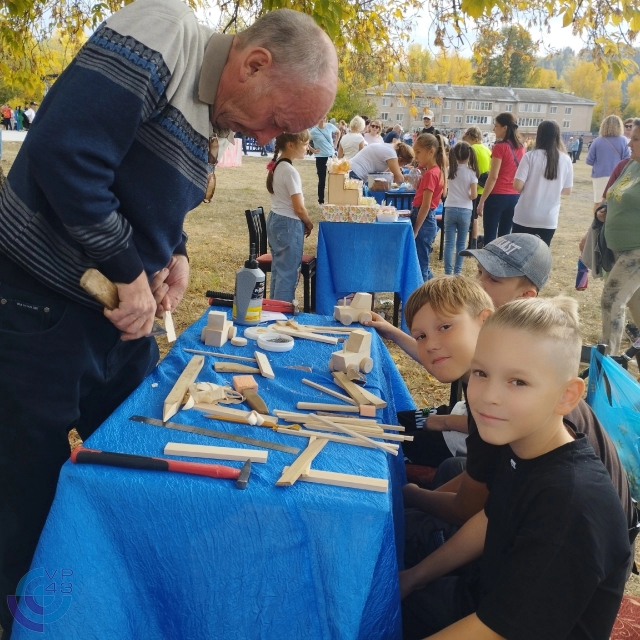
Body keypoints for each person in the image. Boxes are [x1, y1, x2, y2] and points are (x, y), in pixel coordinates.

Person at [0, 1, 338, 636]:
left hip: (114, 316)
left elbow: (143, 189)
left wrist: (173, 253)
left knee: (148, 439)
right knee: (25, 480)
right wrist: (129, 270)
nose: (267, 138)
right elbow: (66, 153)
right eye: (277, 120)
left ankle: (128, 592)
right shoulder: (164, 33)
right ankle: (32, 616)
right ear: (255, 63)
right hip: (38, 300)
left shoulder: (216, 112)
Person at [401, 295, 631, 640]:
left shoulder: (571, 505)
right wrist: (416, 576)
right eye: (481, 373)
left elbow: (500, 628)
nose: (488, 396)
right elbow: (491, 517)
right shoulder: (520, 442)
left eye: (518, 382)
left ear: (568, 396)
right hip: (487, 593)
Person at [596, 118, 640, 356]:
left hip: (636, 251)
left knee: (611, 301)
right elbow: (614, 196)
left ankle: (608, 362)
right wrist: (604, 210)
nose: (629, 143)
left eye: (635, 139)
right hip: (618, 250)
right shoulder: (630, 165)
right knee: (636, 308)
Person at [265, 132, 313, 303]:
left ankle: (274, 308)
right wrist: (308, 222)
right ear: (291, 145)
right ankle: (281, 314)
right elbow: (298, 207)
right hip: (288, 224)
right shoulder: (290, 171)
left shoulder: (278, 166)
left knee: (280, 270)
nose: (308, 148)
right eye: (305, 144)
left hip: (277, 220)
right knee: (288, 274)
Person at [511, 120, 573, 246]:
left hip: (525, 215)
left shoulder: (530, 156)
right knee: (540, 258)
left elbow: (517, 186)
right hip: (548, 218)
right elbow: (567, 190)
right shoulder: (566, 159)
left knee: (517, 255)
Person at [476, 112, 526, 244]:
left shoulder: (500, 147)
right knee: (505, 238)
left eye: (496, 126)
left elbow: (493, 177)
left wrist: (482, 201)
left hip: (497, 196)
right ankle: (502, 263)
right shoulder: (521, 147)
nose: (494, 129)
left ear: (505, 128)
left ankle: (488, 264)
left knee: (490, 237)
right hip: (514, 196)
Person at [411, 133, 447, 281]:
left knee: (421, 264)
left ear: (431, 151)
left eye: (418, 152)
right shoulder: (434, 171)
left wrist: (416, 230)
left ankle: (426, 296)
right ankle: (435, 287)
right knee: (421, 261)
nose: (416, 156)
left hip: (424, 220)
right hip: (425, 218)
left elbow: (425, 205)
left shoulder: (431, 174)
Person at [443, 142, 478, 275]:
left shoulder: (449, 170)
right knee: (461, 243)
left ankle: (447, 272)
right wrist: (467, 195)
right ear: (469, 155)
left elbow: (445, 190)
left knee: (449, 243)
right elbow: (474, 195)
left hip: (450, 207)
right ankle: (457, 272)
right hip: (465, 209)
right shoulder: (471, 172)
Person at [586, 114, 629, 213]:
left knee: (598, 201)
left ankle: (597, 224)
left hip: (599, 175)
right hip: (618, 175)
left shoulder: (597, 141)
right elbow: (627, 159)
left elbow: (589, 160)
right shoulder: (624, 141)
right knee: (615, 202)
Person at [462, 127, 491, 249]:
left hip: (474, 187)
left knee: (472, 218)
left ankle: (472, 243)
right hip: (485, 188)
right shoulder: (487, 150)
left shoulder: (471, 149)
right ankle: (476, 241)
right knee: (476, 217)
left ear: (472, 138)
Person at [348, 140, 414, 185]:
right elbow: (399, 180)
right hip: (355, 173)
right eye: (403, 164)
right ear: (400, 159)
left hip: (352, 171)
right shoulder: (391, 154)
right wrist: (405, 179)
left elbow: (388, 173)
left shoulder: (389, 149)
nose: (401, 166)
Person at [308, 116, 338, 205]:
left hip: (331, 156)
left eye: (324, 117)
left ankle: (333, 200)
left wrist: (335, 144)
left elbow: (338, 132)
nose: (323, 119)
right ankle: (321, 201)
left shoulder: (330, 126)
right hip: (320, 158)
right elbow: (305, 140)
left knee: (333, 179)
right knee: (322, 180)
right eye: (321, 117)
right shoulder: (313, 131)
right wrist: (312, 150)